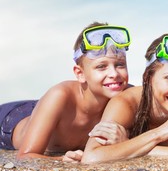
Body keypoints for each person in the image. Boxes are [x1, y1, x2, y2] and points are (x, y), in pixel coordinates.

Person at [0, 22, 132, 161]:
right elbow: (25, 156)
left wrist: (126, 141)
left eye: (120, 65)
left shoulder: (129, 96)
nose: (114, 73)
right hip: (11, 120)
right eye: (101, 67)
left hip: (46, 108)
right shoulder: (60, 95)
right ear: (80, 73)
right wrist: (62, 159)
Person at [81, 33, 168, 164]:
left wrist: (129, 144)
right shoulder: (126, 103)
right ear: (148, 78)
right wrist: (160, 133)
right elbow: (92, 157)